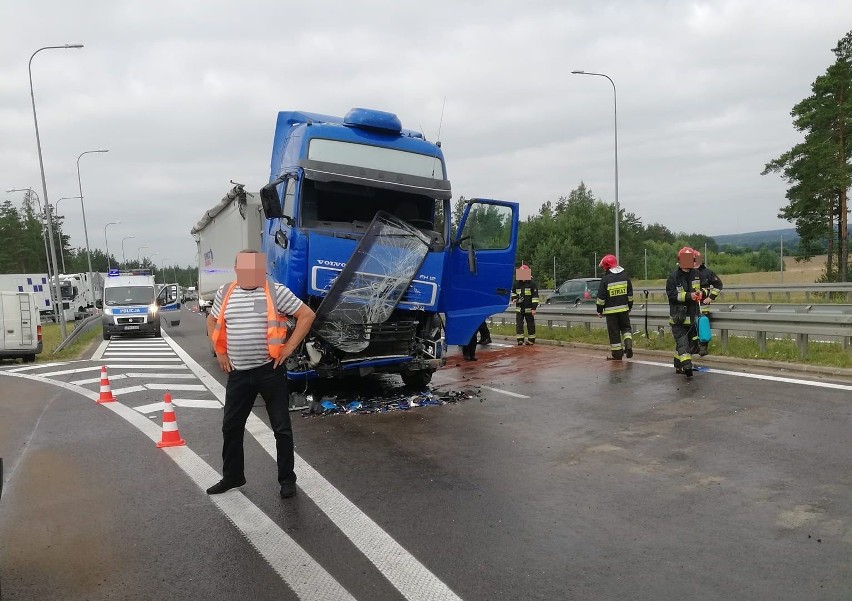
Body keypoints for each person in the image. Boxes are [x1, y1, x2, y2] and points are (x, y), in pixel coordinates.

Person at [205, 250, 316, 498]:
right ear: (237, 270)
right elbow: (212, 321)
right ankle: (233, 476)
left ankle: (287, 480)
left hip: (270, 371)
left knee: (281, 428)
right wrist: (220, 351)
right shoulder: (226, 293)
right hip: (239, 374)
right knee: (231, 427)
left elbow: (307, 315)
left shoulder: (275, 292)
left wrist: (289, 348)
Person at [665, 247, 708, 377]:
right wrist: (689, 296)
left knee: (688, 344)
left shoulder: (697, 274)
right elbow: (672, 295)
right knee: (682, 342)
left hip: (693, 317)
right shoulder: (673, 277)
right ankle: (687, 366)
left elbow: (706, 287)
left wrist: (702, 293)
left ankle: (679, 366)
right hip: (678, 318)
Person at [595, 254, 634, 360]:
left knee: (614, 332)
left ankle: (617, 355)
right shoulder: (625, 277)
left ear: (607, 267)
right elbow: (630, 295)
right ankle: (628, 344)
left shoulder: (605, 279)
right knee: (626, 329)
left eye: (604, 267)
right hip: (624, 310)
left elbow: (601, 298)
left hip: (611, 313)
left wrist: (599, 310)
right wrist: (629, 306)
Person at [693, 250, 724, 356]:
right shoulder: (687, 272)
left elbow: (718, 285)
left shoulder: (707, 272)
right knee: (691, 326)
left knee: (703, 324)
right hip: (690, 304)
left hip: (702, 305)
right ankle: (694, 346)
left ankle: (703, 347)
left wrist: (711, 297)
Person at [512, 264, 539, 345]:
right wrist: (514, 299)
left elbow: (535, 296)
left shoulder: (532, 283)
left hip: (529, 309)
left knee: (530, 325)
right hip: (519, 308)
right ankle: (520, 340)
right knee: (519, 325)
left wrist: (534, 308)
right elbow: (513, 292)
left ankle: (531, 340)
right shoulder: (516, 283)